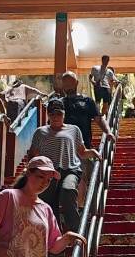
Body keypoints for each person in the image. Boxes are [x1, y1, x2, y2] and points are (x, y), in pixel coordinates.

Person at [28, 99, 100, 232]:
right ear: (48, 115)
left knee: (68, 191)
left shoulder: (74, 130)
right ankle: (56, 236)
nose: (56, 117)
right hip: (48, 174)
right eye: (52, 114)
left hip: (70, 170)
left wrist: (95, 153)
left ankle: (76, 232)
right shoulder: (40, 132)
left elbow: (82, 152)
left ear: (64, 114)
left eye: (59, 114)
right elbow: (33, 155)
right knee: (49, 204)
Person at [59, 71, 115, 150]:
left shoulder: (87, 101)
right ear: (63, 86)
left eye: (71, 84)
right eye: (66, 85)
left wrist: (108, 132)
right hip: (64, 147)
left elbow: (99, 119)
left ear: (76, 83)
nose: (69, 87)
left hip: (84, 146)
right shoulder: (59, 104)